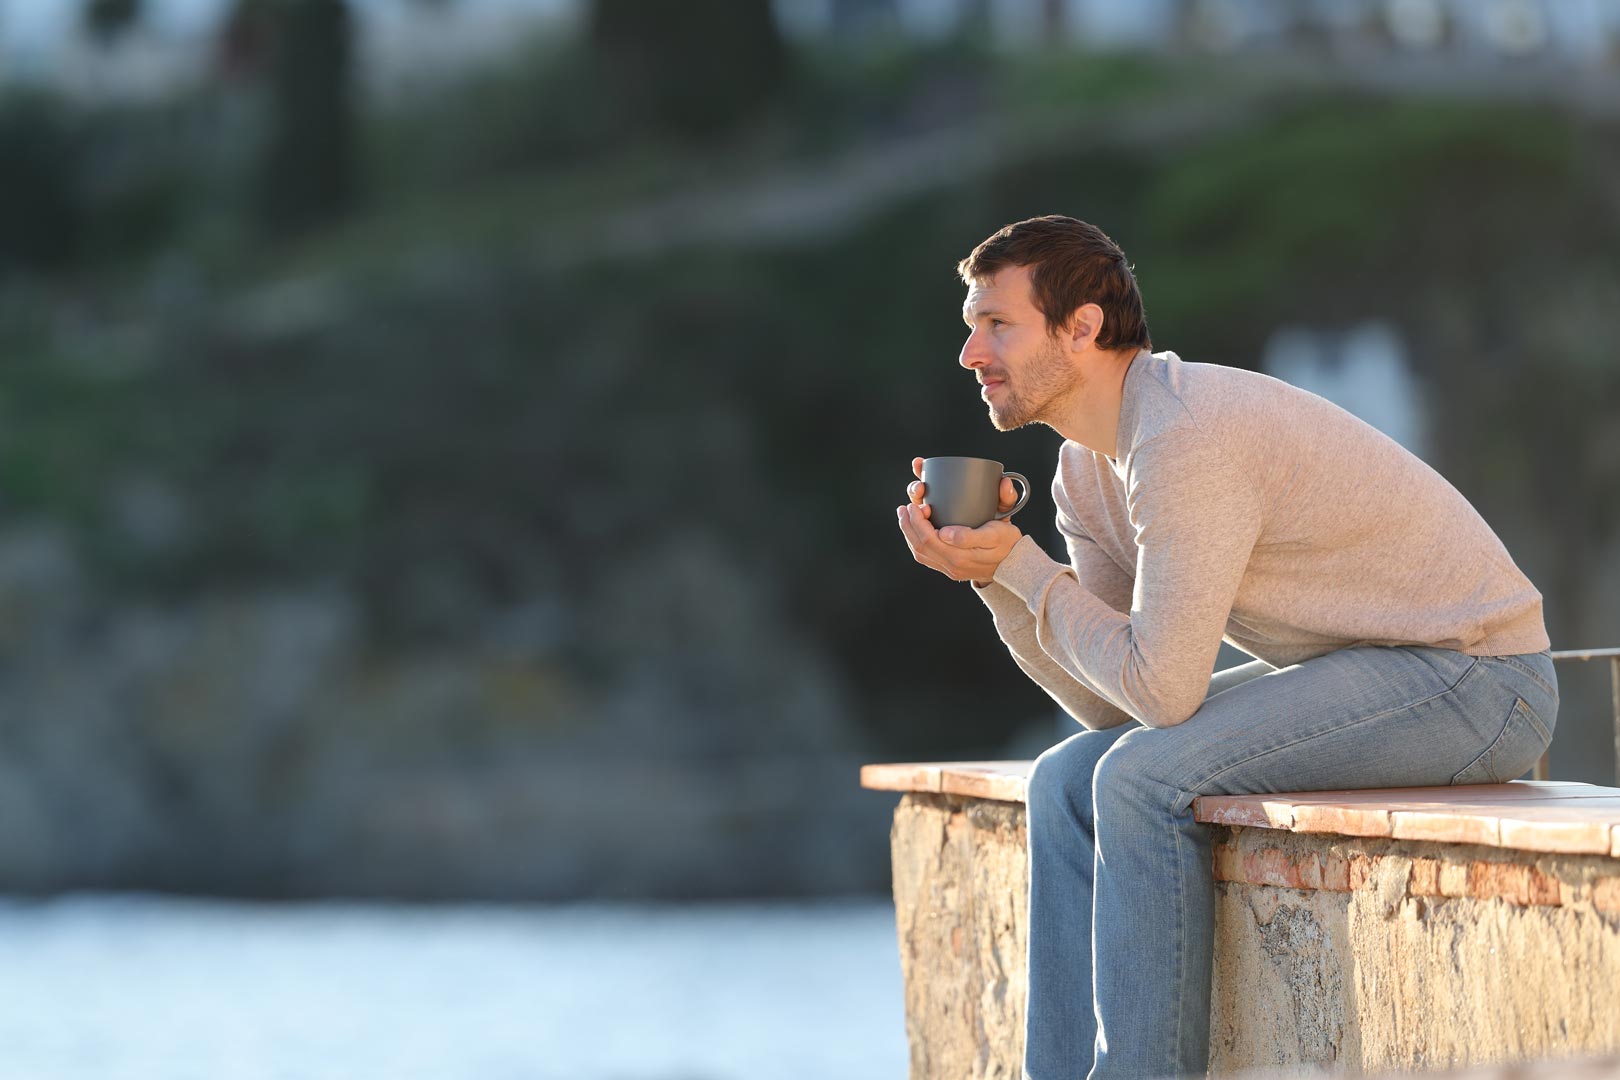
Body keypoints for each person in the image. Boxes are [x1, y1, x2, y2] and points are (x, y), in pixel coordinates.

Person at [895, 215, 1557, 1080]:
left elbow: (1161, 700)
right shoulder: (1085, 470)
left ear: (1083, 327)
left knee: (1136, 776)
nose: (970, 353)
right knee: (1068, 774)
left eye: (997, 324)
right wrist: (995, 580)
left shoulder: (1183, 437)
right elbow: (1112, 697)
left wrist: (1023, 566)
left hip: (1478, 681)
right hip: (1369, 673)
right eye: (970, 326)